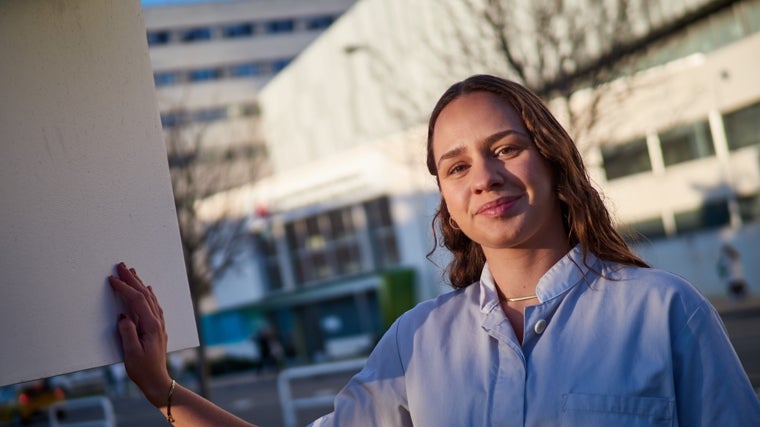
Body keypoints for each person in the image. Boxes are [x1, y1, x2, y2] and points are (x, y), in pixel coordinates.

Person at [109, 74, 760, 426]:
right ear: (446, 196)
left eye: (506, 148)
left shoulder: (667, 314)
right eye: (456, 165)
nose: (485, 176)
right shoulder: (414, 343)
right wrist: (162, 388)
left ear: (554, 160)